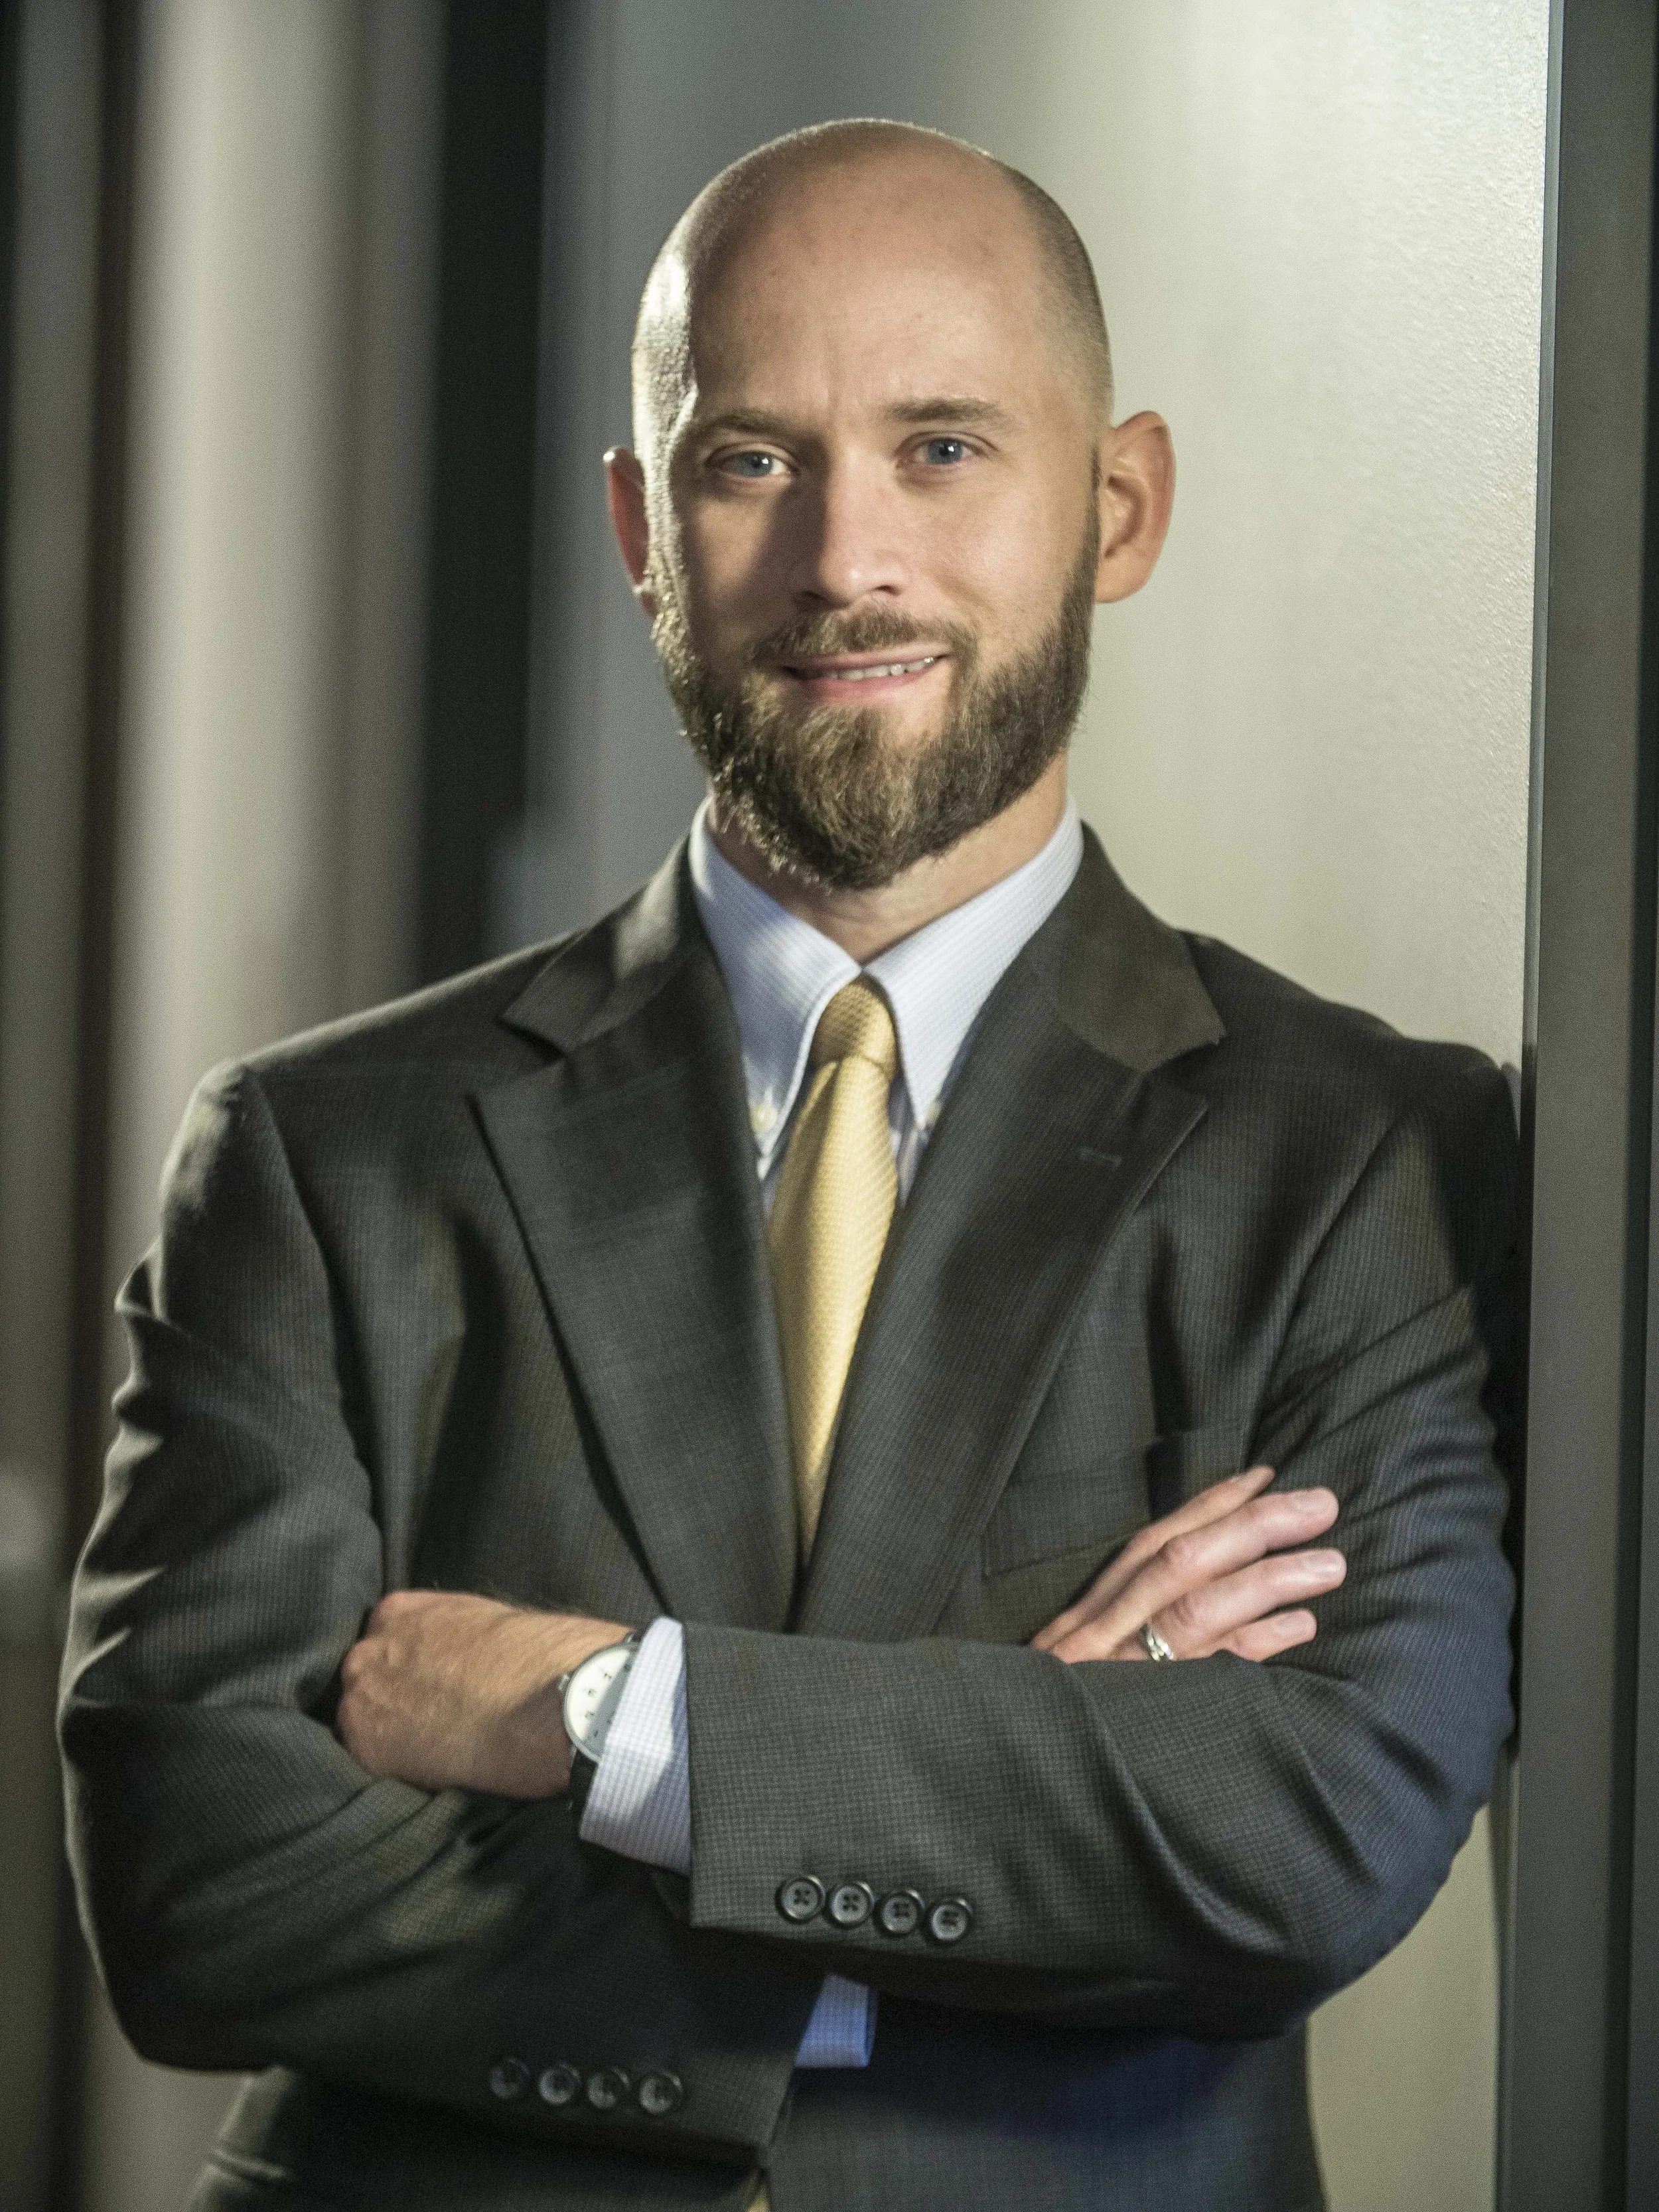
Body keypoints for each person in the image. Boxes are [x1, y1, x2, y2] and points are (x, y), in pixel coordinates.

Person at [60, 120, 1518, 2212]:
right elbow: (204, 1880)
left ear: (1117, 506)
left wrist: (602, 1717)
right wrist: (996, 1799)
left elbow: (1308, 1837)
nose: (849, 560)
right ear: (642, 526)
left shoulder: (1365, 1152)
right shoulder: (320, 1154)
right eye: (755, 459)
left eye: (941, 449)